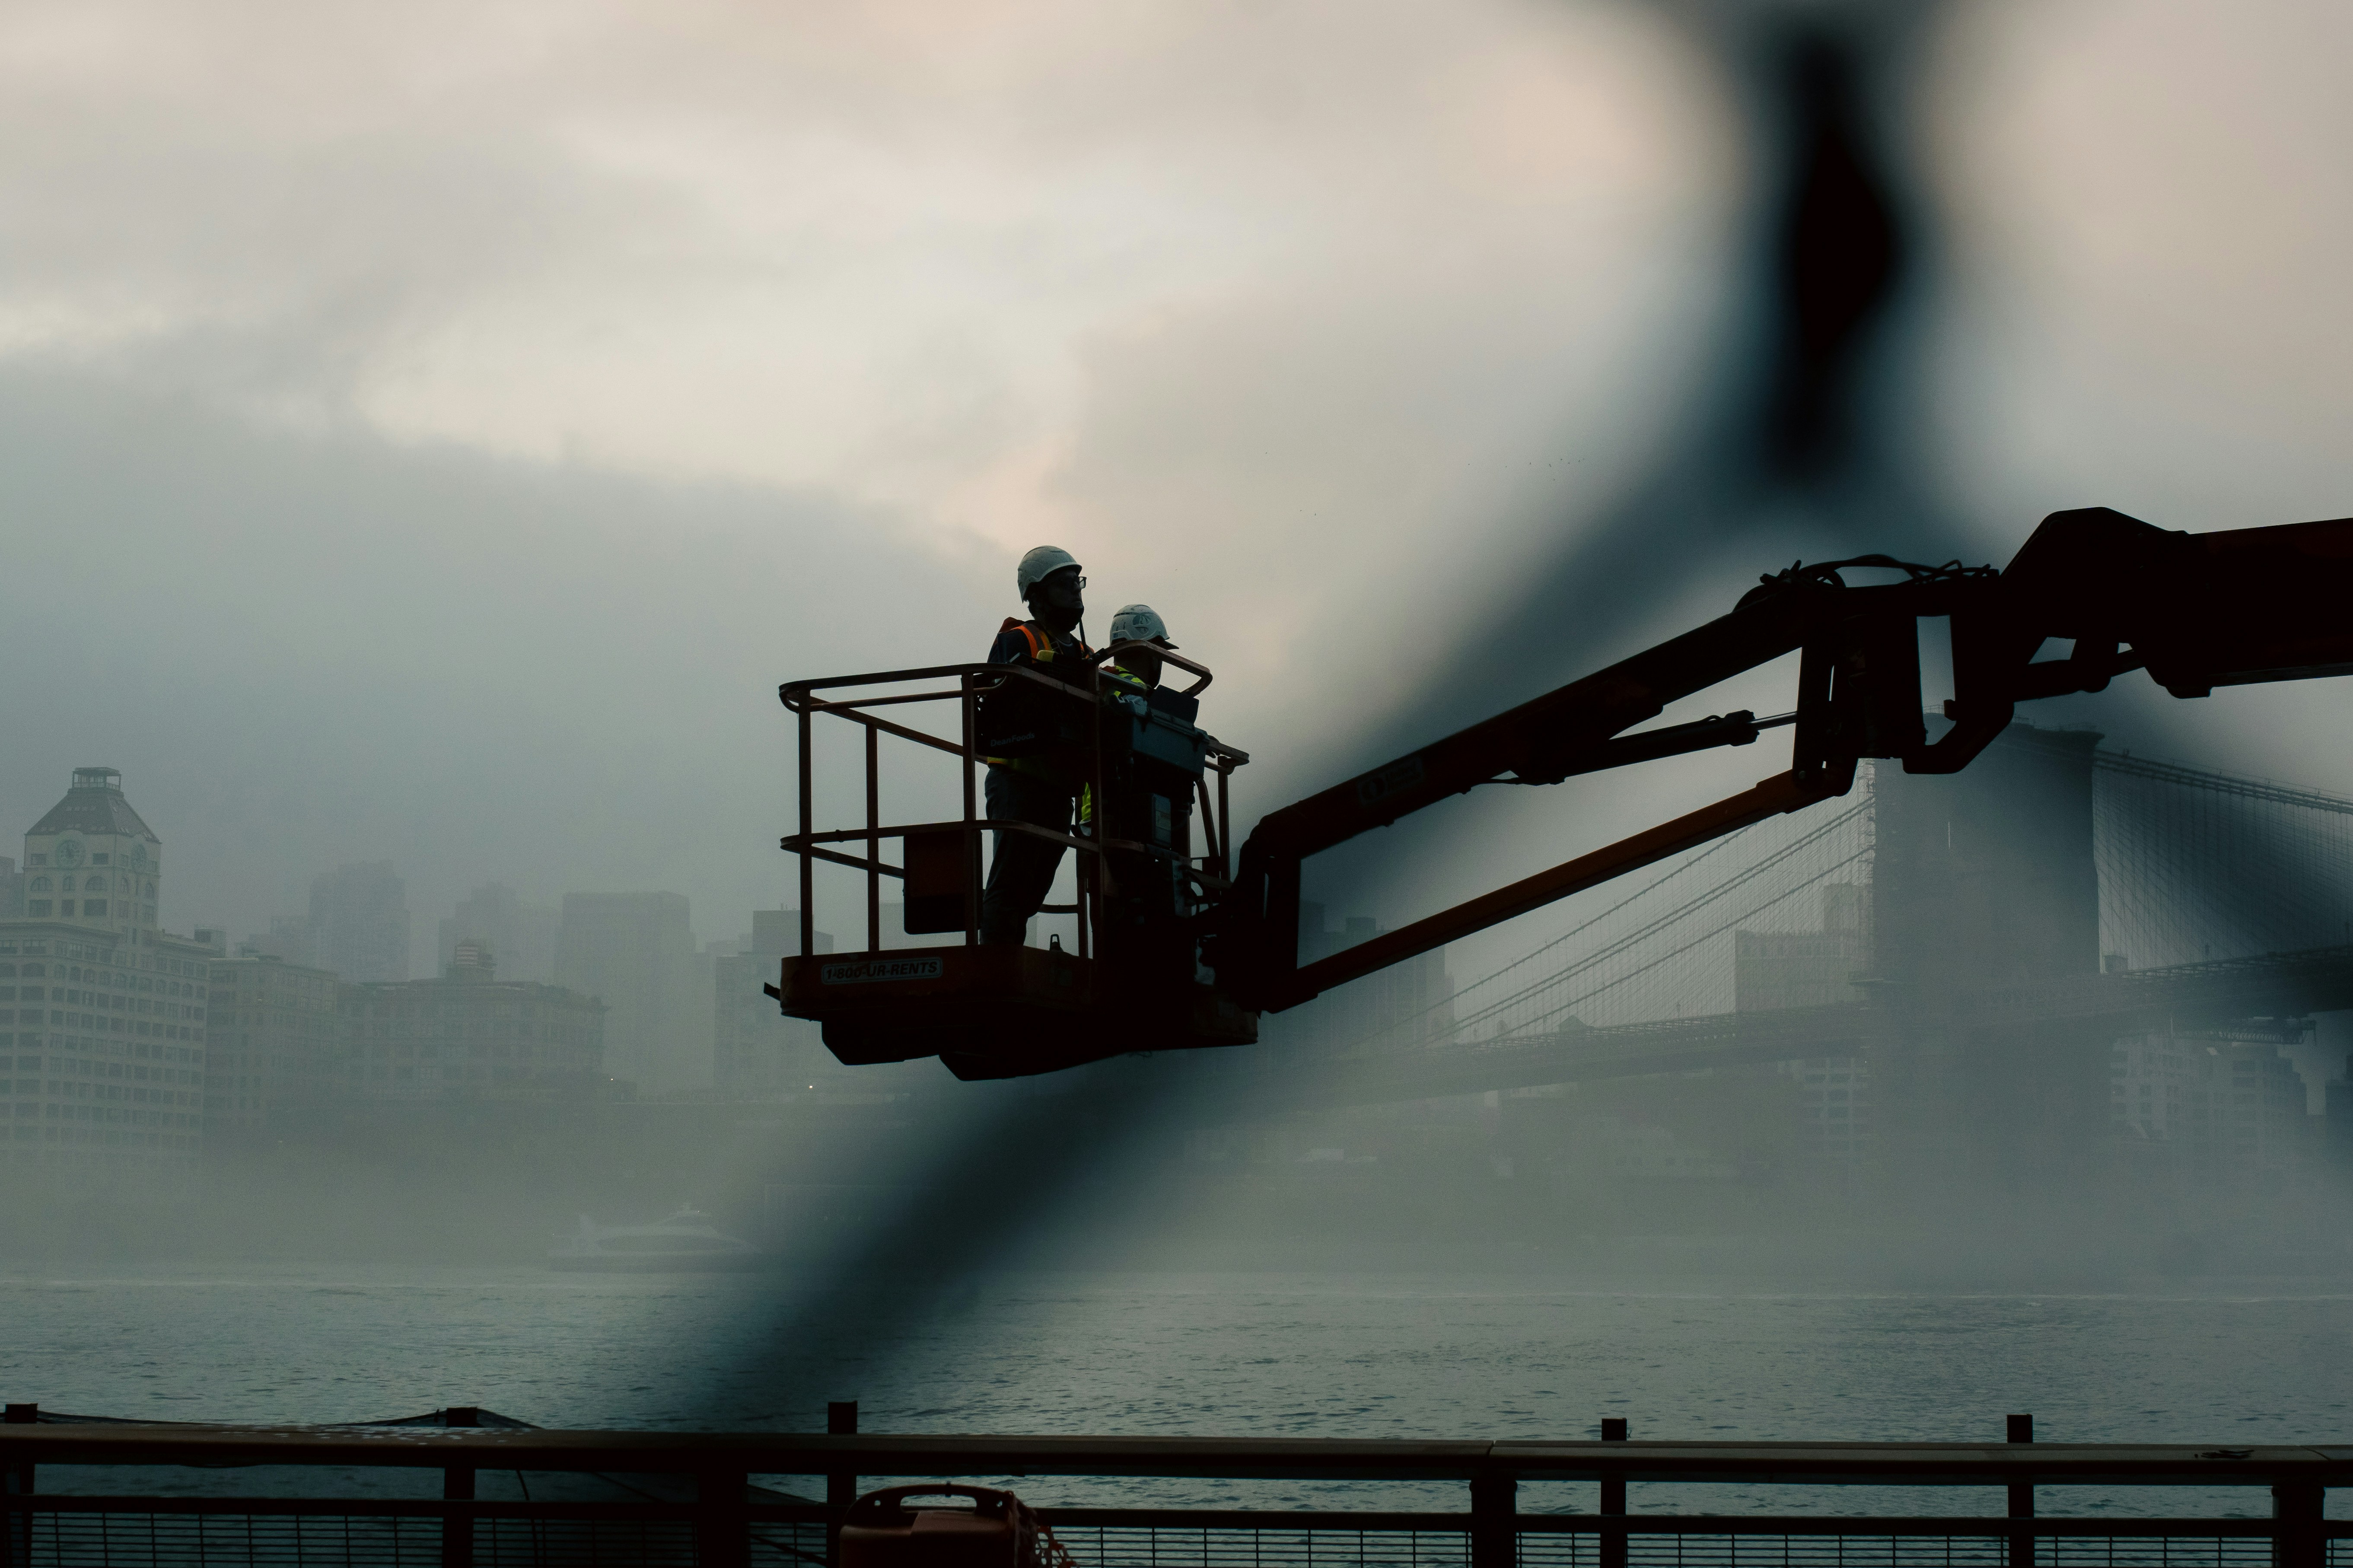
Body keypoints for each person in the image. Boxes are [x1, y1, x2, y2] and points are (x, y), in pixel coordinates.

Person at [978, 547, 1092, 945]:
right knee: (1011, 883)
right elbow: (995, 703)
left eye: (1077, 583)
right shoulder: (1018, 639)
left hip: (1059, 787)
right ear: (1037, 594)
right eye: (1065, 584)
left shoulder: (1084, 654)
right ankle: (995, 965)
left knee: (1034, 887)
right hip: (1018, 780)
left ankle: (1005, 952)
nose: (1076, 592)